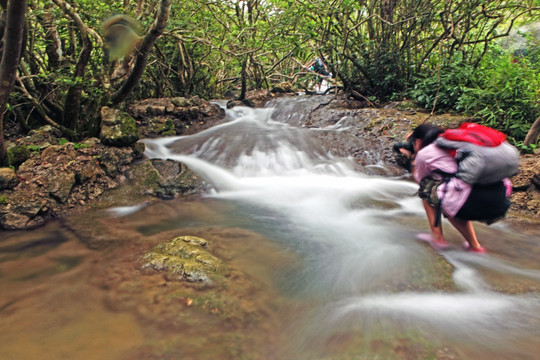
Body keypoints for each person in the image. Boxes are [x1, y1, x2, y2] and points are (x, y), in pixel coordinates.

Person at [400, 124, 511, 253]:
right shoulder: (458, 144)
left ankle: (438, 238)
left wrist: (413, 157)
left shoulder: (425, 154)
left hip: (470, 203)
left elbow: (420, 179)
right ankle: (475, 246)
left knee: (428, 190)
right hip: (499, 196)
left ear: (418, 142)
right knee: (454, 194)